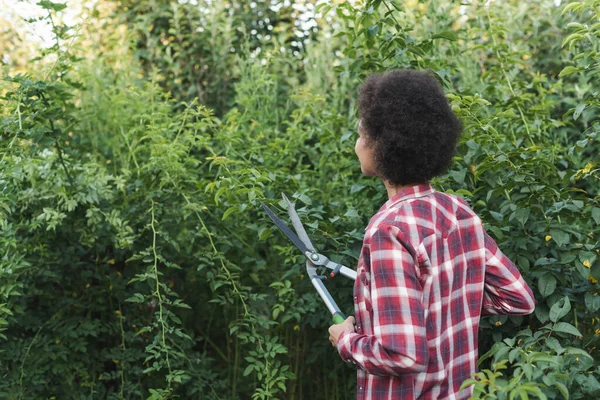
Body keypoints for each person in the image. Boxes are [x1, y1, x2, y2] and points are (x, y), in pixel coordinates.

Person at [327, 69, 535, 400]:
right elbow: (518, 297)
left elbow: (403, 355)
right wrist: (445, 300)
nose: (356, 144)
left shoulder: (388, 231)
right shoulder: (458, 212)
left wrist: (345, 341)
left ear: (381, 145)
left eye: (360, 134)